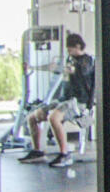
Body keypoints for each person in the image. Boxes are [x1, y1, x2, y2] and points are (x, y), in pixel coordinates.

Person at [26, 31, 96, 164]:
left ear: (77, 46)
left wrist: (71, 70)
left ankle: (65, 154)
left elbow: (83, 71)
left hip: (78, 103)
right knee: (32, 117)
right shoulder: (70, 60)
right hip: (64, 100)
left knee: (54, 118)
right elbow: (56, 67)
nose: (68, 51)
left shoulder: (87, 61)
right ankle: (38, 151)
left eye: (70, 48)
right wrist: (32, 67)